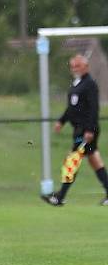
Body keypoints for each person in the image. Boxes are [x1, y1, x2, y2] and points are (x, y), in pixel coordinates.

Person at [42, 54, 108, 206]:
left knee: (72, 160)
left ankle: (60, 197)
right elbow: (72, 107)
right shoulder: (77, 84)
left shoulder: (90, 84)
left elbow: (93, 109)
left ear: (86, 67)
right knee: (94, 160)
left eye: (78, 66)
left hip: (86, 131)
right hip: (79, 129)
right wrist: (61, 120)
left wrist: (90, 130)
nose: (75, 69)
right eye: (73, 66)